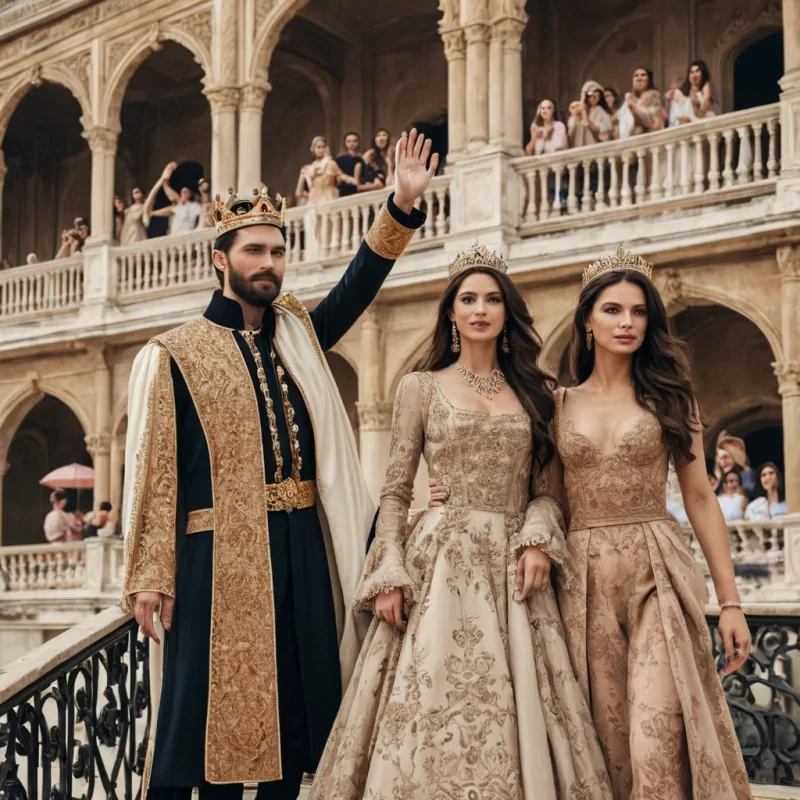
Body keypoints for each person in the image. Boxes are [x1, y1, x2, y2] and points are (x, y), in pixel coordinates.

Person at [121, 129, 439, 800]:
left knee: (302, 701)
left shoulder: (296, 336)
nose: (269, 263)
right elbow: (157, 473)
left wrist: (401, 208)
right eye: (255, 251)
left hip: (302, 543)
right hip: (216, 557)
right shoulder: (175, 353)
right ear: (220, 259)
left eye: (278, 252)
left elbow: (353, 293)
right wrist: (151, 573)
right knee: (205, 716)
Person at [310, 244, 613, 800]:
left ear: (507, 311)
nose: (480, 309)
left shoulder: (539, 393)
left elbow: (547, 493)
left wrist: (539, 542)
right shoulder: (419, 388)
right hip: (439, 564)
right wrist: (390, 572)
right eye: (468, 298)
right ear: (450, 310)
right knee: (430, 699)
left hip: (513, 566)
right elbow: (396, 492)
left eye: (492, 299)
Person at [551, 247, 752, 798]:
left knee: (654, 739)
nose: (628, 323)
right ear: (588, 319)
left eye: (639, 312)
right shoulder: (556, 404)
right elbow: (542, 498)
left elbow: (701, 498)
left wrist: (730, 603)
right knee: (606, 750)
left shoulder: (671, 395)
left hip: (656, 570)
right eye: (613, 310)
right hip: (581, 581)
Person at [295, 136, 357, 205]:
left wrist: (356, 182)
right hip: (314, 204)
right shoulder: (308, 169)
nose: (321, 149)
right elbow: (298, 192)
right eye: (318, 147)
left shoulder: (331, 164)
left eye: (323, 147)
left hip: (330, 200)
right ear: (313, 149)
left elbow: (343, 176)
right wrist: (311, 195)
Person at [144, 162, 202, 234]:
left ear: (190, 194)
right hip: (175, 236)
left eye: (186, 192)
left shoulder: (195, 206)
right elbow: (169, 196)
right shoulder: (177, 208)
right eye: (182, 192)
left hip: (188, 235)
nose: (183, 194)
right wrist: (165, 179)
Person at [666, 59, 719, 127]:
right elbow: (675, 116)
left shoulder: (706, 89)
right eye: (691, 72)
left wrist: (706, 92)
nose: (694, 75)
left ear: (703, 73)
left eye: (697, 71)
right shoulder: (682, 93)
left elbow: (703, 111)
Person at [617, 67, 665, 139]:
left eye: (643, 75)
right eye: (636, 75)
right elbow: (616, 118)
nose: (639, 78)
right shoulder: (629, 99)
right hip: (627, 142)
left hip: (646, 140)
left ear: (649, 79)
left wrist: (633, 108)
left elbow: (649, 122)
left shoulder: (653, 96)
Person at [570, 80, 613, 148]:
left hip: (595, 145)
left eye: (596, 96)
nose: (593, 99)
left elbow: (601, 132)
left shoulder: (600, 111)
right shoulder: (582, 111)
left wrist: (586, 118)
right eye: (590, 96)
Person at [334, 132, 365, 197]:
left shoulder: (362, 159)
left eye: (355, 141)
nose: (352, 143)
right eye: (349, 141)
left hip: (360, 192)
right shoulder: (339, 160)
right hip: (343, 192)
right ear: (345, 143)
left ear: (359, 142)